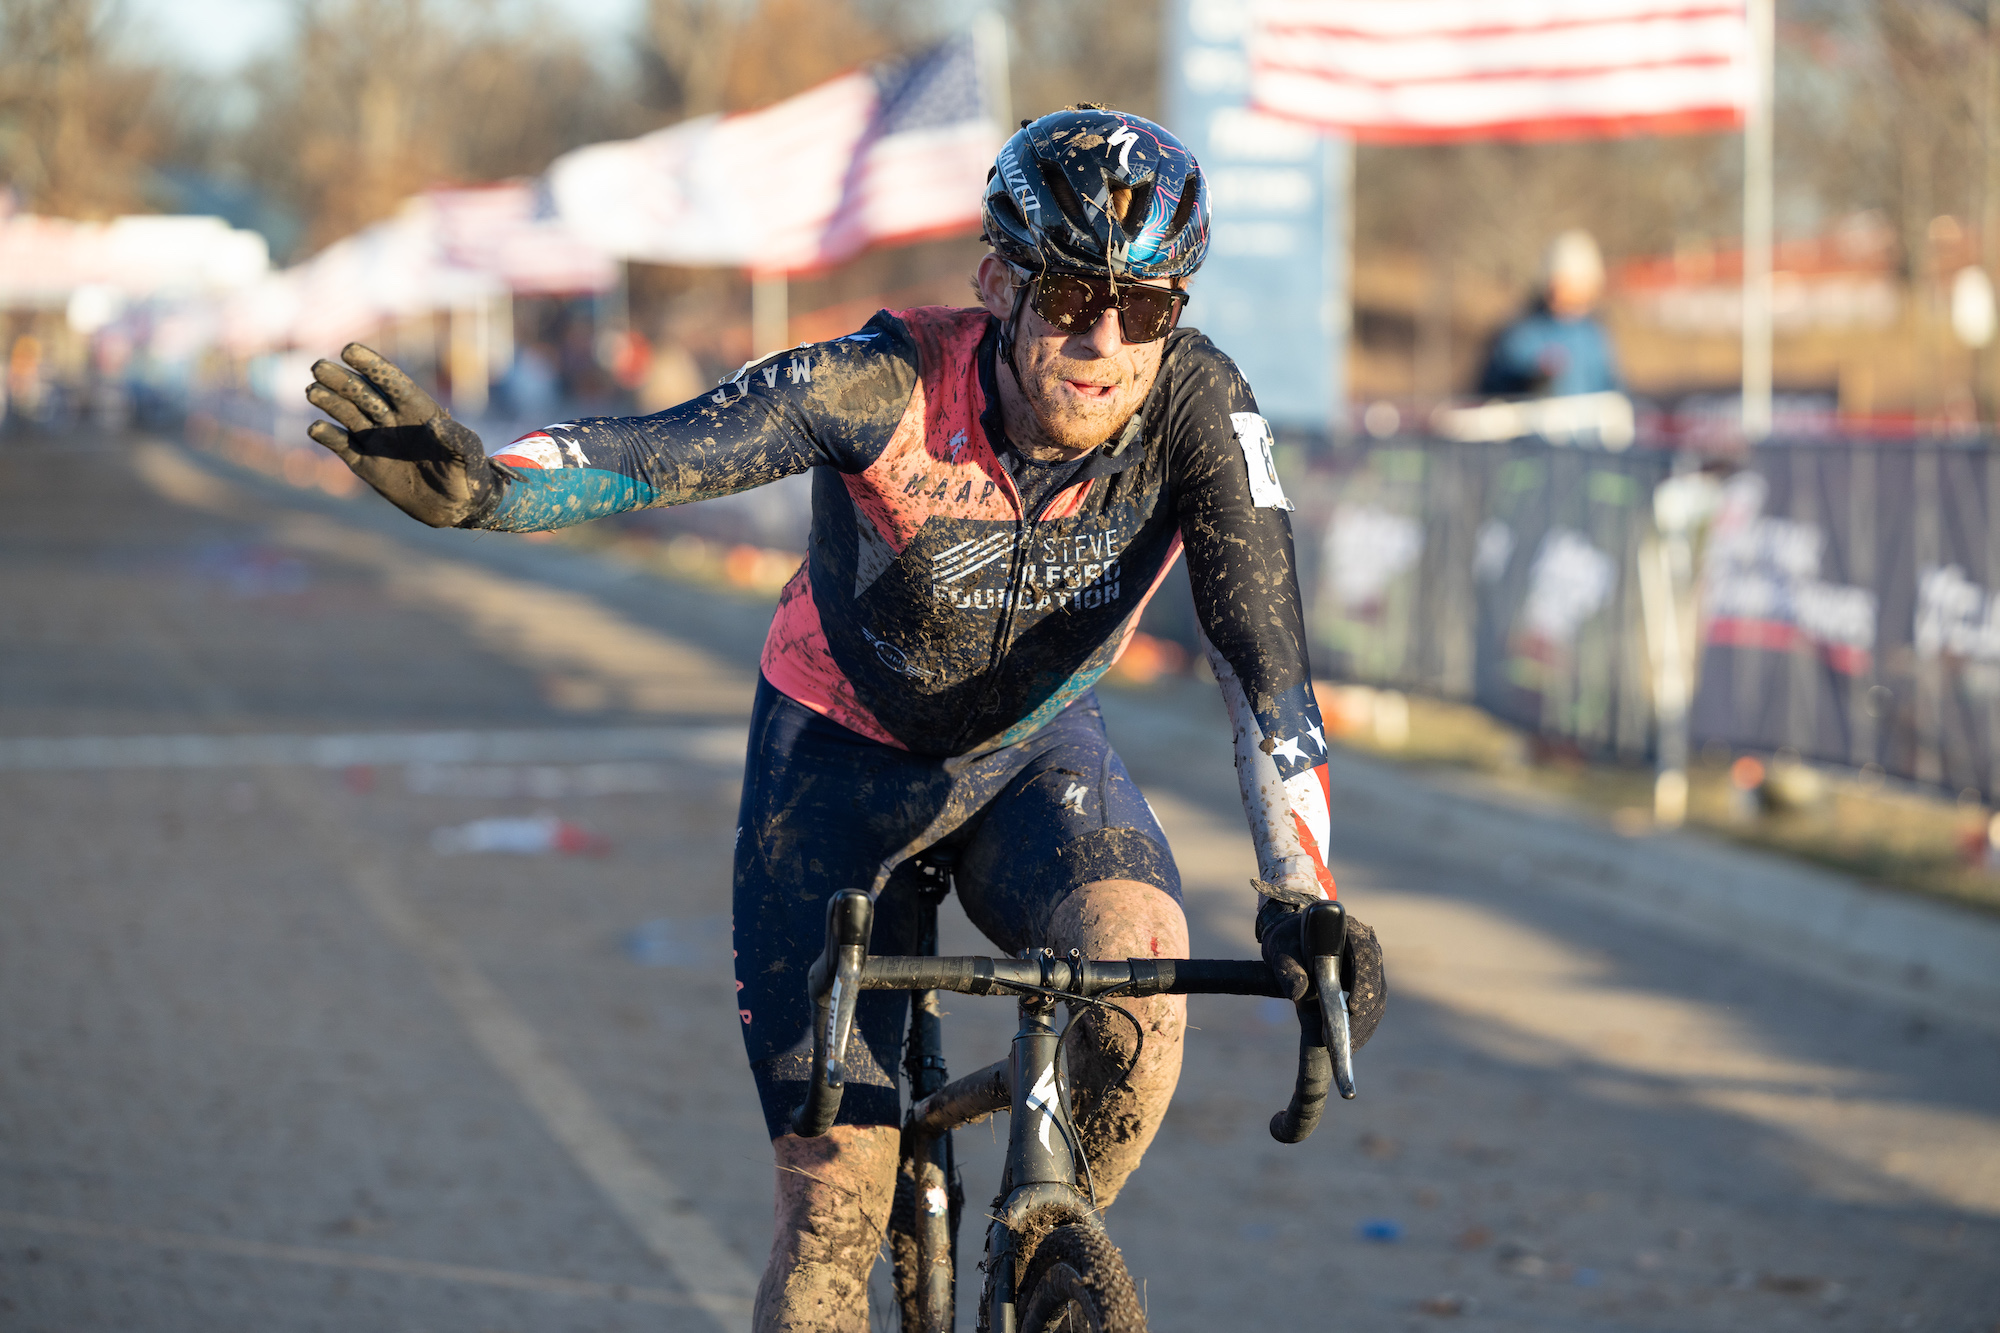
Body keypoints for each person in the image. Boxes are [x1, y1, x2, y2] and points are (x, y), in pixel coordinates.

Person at [303, 105, 1385, 1332]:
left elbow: (1265, 664)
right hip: (833, 771)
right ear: (996, 282)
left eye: (1142, 308)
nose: (1101, 339)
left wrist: (1301, 895)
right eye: (1070, 293)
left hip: (1028, 759)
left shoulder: (1198, 407)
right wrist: (487, 491)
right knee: (832, 1221)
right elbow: (662, 453)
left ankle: (1042, 1239)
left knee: (1138, 976)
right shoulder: (882, 380)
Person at [1477, 229, 1621, 398]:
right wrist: (1535, 377)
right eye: (1566, 283)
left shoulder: (1594, 336)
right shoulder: (1521, 335)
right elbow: (1493, 392)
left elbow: (1614, 391)